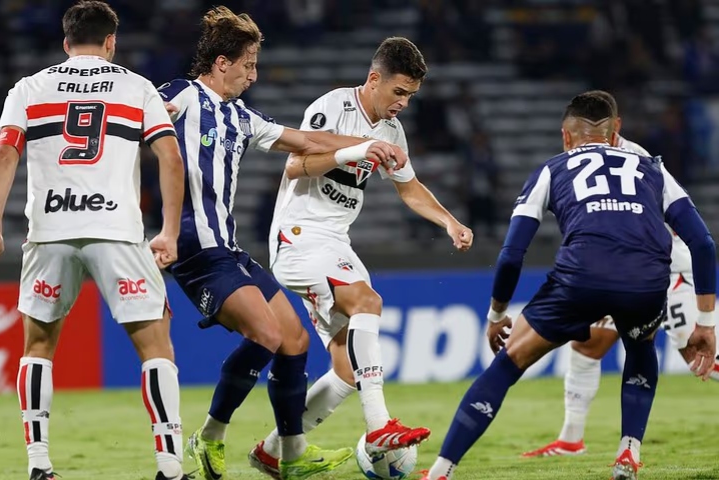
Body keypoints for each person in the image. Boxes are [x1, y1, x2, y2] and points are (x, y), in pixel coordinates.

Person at [157, 7, 407, 480]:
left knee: (293, 341)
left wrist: (363, 147)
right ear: (222, 62)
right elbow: (138, 119)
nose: (253, 75)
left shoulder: (241, 118)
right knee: (267, 335)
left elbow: (305, 141)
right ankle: (209, 437)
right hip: (192, 248)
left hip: (227, 250)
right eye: (248, 64)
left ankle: (290, 453)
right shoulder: (182, 96)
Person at [419, 91, 717, 480]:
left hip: (584, 276)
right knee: (639, 346)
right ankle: (627, 450)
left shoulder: (552, 168)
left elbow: (512, 254)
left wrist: (496, 314)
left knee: (508, 363)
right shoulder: (650, 167)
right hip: (648, 280)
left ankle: (442, 469)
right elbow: (704, 243)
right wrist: (706, 320)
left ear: (565, 136)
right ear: (614, 133)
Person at [0, 2, 187, 480]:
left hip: (49, 233)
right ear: (111, 42)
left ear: (65, 43)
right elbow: (169, 157)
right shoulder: (136, 86)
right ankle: (170, 467)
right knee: (156, 348)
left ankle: (39, 464)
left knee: (38, 347)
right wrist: (168, 230)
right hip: (117, 233)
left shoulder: (29, 88)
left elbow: (6, 152)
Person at [248, 37, 473, 478]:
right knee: (368, 302)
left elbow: (409, 188)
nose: (403, 104)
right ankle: (379, 427)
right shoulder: (332, 106)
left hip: (335, 242)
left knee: (348, 370)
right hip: (299, 236)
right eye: (398, 92)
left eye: (410, 96)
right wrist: (355, 150)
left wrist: (448, 221)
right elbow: (295, 165)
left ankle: (274, 451)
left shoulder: (392, 130)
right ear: (374, 80)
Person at [522, 90, 719, 459]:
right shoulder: (586, 155)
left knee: (700, 356)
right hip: (628, 269)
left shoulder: (635, 157)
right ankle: (570, 439)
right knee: (588, 343)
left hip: (669, 270)